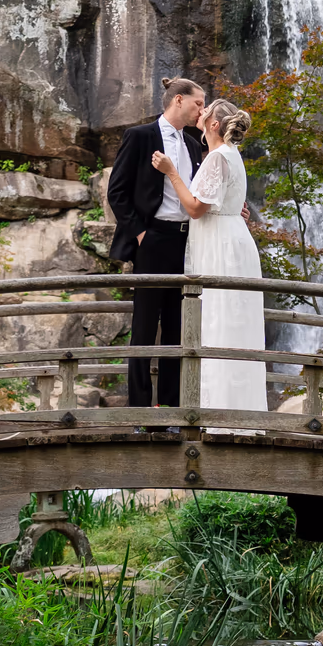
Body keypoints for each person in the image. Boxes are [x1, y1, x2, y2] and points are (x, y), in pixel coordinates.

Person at [151, 98, 268, 412]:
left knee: (219, 321)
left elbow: (195, 208)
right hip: (230, 239)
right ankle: (235, 410)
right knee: (232, 323)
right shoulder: (231, 155)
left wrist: (171, 172)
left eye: (205, 110)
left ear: (214, 124)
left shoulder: (217, 157)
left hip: (221, 246)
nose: (199, 113)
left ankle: (218, 413)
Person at [106, 77, 206, 407]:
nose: (201, 111)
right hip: (152, 240)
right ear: (178, 100)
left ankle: (170, 410)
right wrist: (140, 234)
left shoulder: (193, 145)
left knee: (178, 329)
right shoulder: (140, 136)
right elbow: (116, 192)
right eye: (198, 104)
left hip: (185, 244)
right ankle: (139, 412)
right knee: (145, 328)